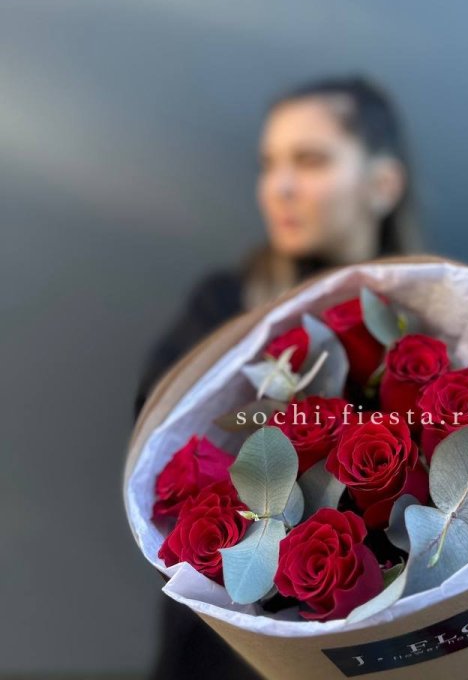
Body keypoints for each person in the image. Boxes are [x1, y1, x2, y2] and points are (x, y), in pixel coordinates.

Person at [134, 75, 420, 680]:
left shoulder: (425, 319)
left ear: (384, 185)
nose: (280, 187)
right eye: (269, 165)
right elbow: (164, 441)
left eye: (310, 161)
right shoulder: (224, 308)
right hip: (239, 644)